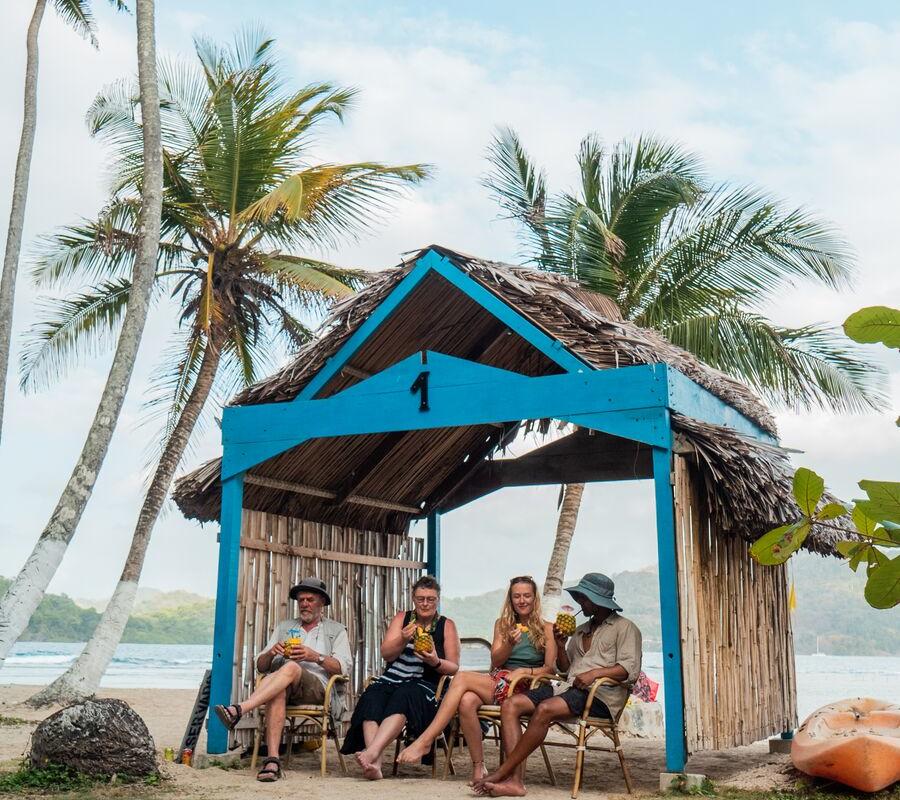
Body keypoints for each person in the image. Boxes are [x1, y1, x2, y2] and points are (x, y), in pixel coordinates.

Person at [474, 573, 642, 797]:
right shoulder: (581, 629)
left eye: (584, 598)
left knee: (545, 709)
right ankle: (515, 781)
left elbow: (629, 670)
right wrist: (561, 646)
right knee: (512, 705)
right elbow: (565, 669)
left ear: (599, 601)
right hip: (569, 689)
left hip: (599, 696)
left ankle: (504, 774)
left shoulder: (626, 628)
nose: (580, 602)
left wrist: (595, 673)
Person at [397, 575, 556, 782]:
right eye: (517, 596)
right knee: (466, 701)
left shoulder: (548, 628)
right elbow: (496, 660)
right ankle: (478, 768)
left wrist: (525, 672)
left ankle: (426, 740)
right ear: (510, 599)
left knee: (461, 678)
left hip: (527, 687)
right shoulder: (502, 624)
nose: (522, 600)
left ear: (535, 599)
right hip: (502, 680)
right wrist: (508, 643)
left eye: (527, 595)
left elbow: (550, 668)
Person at [212, 577, 352, 782]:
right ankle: (272, 761)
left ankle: (240, 709)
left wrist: (315, 656)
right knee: (278, 687)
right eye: (301, 600)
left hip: (319, 690)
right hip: (285, 686)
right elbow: (260, 664)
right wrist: (271, 653)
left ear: (321, 602)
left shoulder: (336, 630)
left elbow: (342, 667)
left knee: (292, 666)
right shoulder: (285, 627)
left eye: (310, 599)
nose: (304, 604)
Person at [341, 575, 460, 780]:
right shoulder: (402, 618)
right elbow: (387, 654)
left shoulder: (446, 625)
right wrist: (403, 638)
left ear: (437, 600)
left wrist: (434, 661)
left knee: (405, 695)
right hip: (393, 678)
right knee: (372, 696)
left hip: (426, 685)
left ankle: (371, 754)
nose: (425, 603)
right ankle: (375, 765)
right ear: (413, 599)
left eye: (430, 599)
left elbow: (454, 667)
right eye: (420, 598)